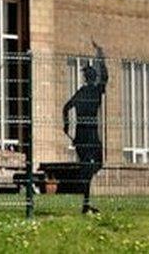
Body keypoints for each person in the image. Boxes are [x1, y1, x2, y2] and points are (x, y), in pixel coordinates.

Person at [62, 49, 108, 214]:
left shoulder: (82, 92)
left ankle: (85, 200)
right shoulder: (94, 91)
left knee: (92, 165)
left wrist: (67, 125)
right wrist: (101, 57)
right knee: (93, 164)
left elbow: (66, 107)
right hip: (90, 132)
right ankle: (83, 198)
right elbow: (105, 78)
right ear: (93, 77)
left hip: (81, 132)